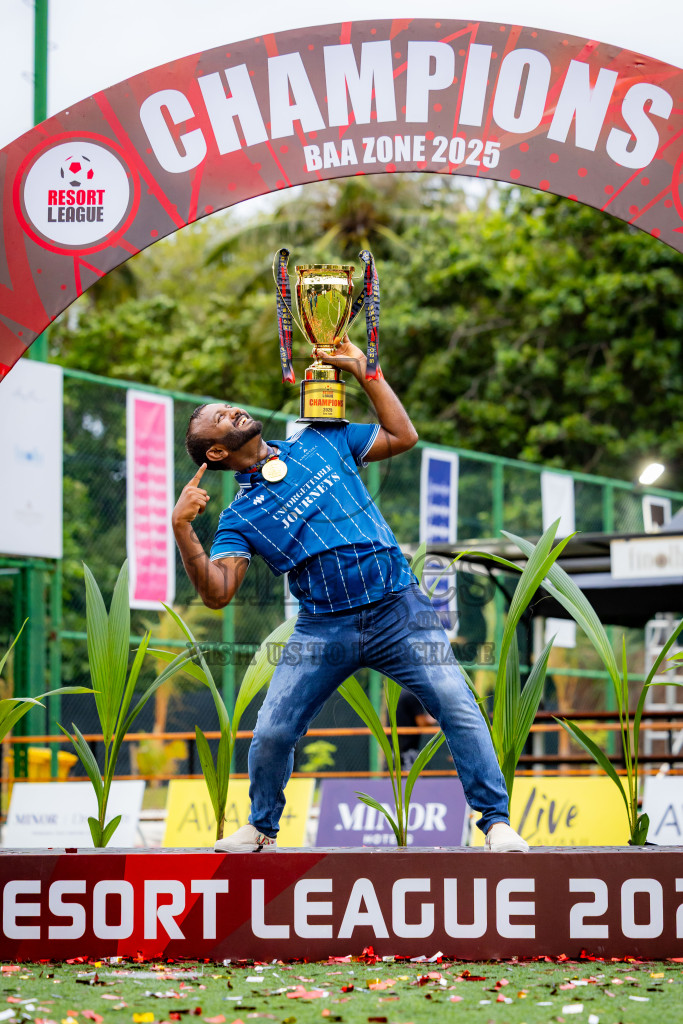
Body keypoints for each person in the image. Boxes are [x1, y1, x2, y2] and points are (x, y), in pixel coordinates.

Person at [172, 336, 528, 854]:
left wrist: (366, 371)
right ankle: (261, 830)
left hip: (398, 608)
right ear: (218, 452)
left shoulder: (320, 439)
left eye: (230, 408)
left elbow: (403, 435)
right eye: (221, 419)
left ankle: (495, 823)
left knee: (457, 703)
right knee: (272, 731)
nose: (233, 411)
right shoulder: (238, 519)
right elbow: (219, 593)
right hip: (323, 626)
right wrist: (183, 529)